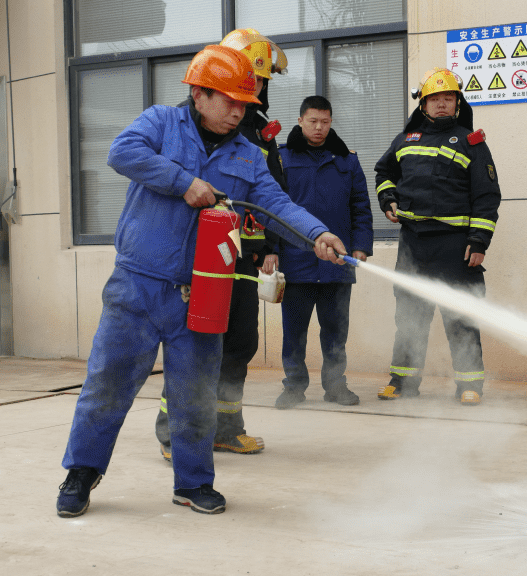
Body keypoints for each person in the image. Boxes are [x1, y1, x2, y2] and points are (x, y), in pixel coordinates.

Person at [56, 44, 347, 518]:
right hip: (138, 285)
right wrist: (183, 182)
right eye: (229, 101)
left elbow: (277, 204)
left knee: (195, 394)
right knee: (108, 384)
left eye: (244, 104)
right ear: (198, 94)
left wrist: (317, 234)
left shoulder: (248, 155)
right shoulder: (160, 123)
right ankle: (81, 474)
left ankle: (193, 482)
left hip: (203, 291)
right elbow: (121, 152)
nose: (237, 112)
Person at [155, 29, 288, 460]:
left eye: (261, 80)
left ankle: (227, 428)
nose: (256, 88)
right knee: (193, 345)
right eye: (251, 77)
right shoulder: (189, 125)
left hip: (245, 257)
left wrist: (272, 245)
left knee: (240, 342)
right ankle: (174, 433)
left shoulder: (260, 133)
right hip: (201, 258)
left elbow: (274, 195)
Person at [373, 67, 501, 406]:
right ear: (423, 104)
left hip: (454, 245)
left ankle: (469, 385)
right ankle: (402, 381)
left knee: (461, 315)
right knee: (409, 317)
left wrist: (479, 241)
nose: (441, 104)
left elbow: (487, 196)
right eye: (434, 99)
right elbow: (383, 172)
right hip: (413, 244)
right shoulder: (405, 140)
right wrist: (388, 199)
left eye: (448, 98)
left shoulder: (472, 143)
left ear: (457, 103)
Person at [274, 96, 374, 409]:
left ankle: (335, 385)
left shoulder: (347, 160)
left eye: (325, 122)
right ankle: (293, 386)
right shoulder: (281, 159)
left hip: (337, 262)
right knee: (294, 331)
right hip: (296, 262)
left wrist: (361, 246)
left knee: (335, 331)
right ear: (300, 120)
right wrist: (271, 251)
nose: (319, 127)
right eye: (313, 121)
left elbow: (360, 207)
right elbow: (271, 211)